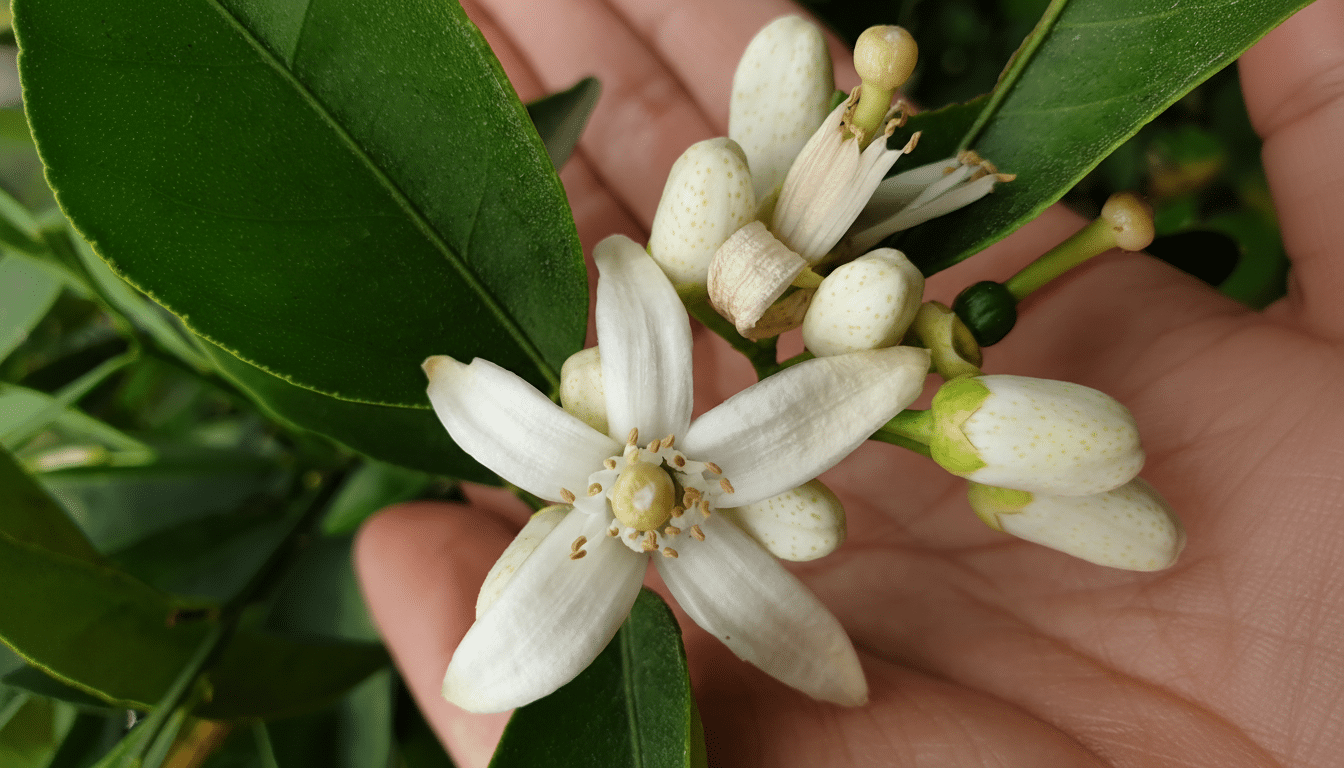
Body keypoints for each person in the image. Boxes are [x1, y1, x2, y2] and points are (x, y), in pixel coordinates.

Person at [355, 0, 1344, 764]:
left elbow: (805, 393)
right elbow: (610, 331)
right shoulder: (665, 493)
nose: (645, 492)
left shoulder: (689, 456)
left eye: (642, 488)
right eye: (648, 495)